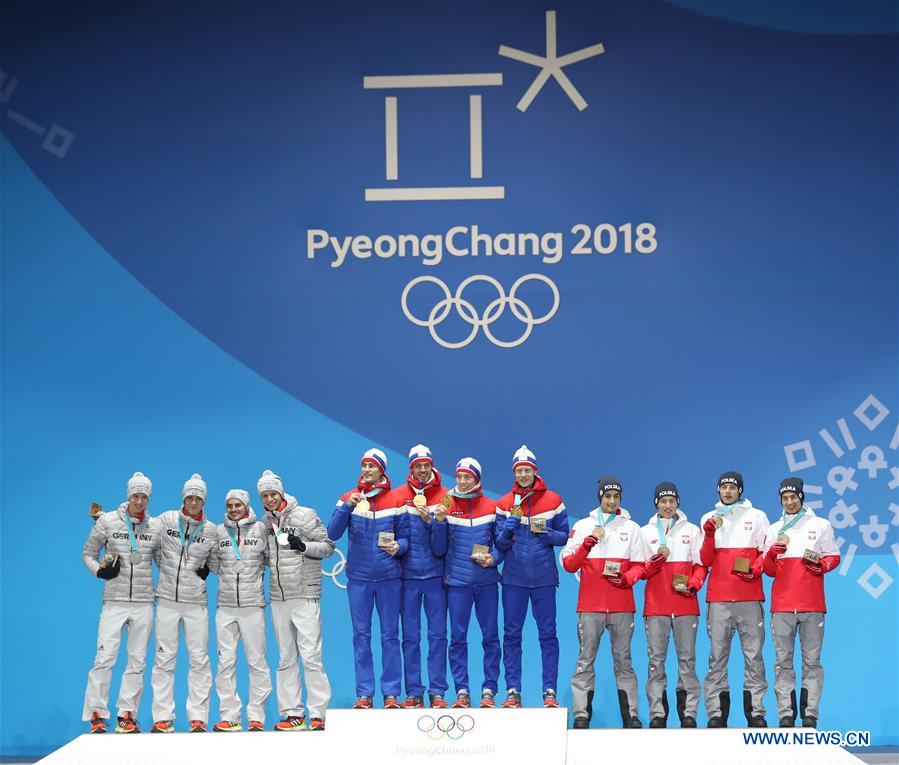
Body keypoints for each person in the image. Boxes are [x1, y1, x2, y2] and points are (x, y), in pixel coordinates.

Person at [562, 476, 645, 729]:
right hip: (590, 606)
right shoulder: (585, 525)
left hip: (621, 605)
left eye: (615, 497)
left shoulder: (632, 528)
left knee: (624, 662)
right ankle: (581, 715)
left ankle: (630, 715)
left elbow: (640, 565)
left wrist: (627, 578)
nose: (611, 501)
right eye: (607, 496)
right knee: (585, 659)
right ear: (600, 497)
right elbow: (568, 564)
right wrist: (587, 544)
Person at [328, 449, 408, 709]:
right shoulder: (348, 498)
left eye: (371, 466)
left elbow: (407, 538)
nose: (366, 470)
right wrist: (348, 508)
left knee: (389, 636)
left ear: (381, 471)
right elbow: (332, 533)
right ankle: (364, 693)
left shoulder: (397, 500)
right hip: (359, 579)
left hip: (389, 579)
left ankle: (391, 693)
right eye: (363, 465)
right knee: (361, 636)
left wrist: (399, 547)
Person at [81, 472, 158, 734]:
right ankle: (97, 714)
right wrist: (99, 572)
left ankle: (127, 714)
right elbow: (88, 553)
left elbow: (166, 560)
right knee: (105, 657)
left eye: (144, 496)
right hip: (114, 600)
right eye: (135, 495)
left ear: (149, 498)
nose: (139, 501)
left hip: (144, 600)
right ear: (128, 496)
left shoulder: (154, 526)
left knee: (138, 660)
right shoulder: (107, 521)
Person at [259, 469, 335, 731]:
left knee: (312, 656)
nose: (269, 499)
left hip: (304, 594)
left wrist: (303, 546)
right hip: (279, 598)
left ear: (281, 493)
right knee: (285, 658)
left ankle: (319, 714)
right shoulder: (264, 523)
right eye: (265, 495)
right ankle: (292, 713)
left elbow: (327, 547)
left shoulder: (305, 514)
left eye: (273, 494)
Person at [495, 445, 569, 709]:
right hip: (513, 580)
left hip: (544, 580)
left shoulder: (553, 500)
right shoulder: (504, 503)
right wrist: (507, 529)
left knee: (548, 635)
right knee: (511, 635)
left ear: (535, 472)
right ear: (514, 473)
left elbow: (564, 536)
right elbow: (500, 545)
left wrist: (547, 534)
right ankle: (513, 690)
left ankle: (549, 691)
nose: (524, 475)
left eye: (527, 470)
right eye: (519, 471)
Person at [762, 477, 840, 729]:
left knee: (812, 662)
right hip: (782, 606)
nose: (789, 502)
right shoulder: (774, 529)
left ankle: (810, 715)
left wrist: (821, 565)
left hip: (812, 604)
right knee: (782, 662)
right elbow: (768, 570)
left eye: (793, 497)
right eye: (784, 499)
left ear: (801, 498)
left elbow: (833, 556)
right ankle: (786, 714)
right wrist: (772, 555)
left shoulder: (821, 525)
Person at [430, 457, 504, 709]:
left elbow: (503, 545)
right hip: (458, 584)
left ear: (477, 479)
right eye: (459, 476)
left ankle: (489, 690)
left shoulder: (492, 507)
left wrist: (493, 559)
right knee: (458, 638)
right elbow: (438, 550)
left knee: (491, 637)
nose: (462, 482)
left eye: (467, 477)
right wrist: (439, 523)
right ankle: (462, 690)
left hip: (486, 584)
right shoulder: (446, 506)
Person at [700, 471, 770, 728]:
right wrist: (708, 535)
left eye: (732, 487)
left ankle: (757, 713)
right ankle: (717, 714)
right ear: (718, 490)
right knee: (717, 657)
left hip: (750, 598)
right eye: (724, 487)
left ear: (740, 490)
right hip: (718, 599)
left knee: (754, 657)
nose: (728, 491)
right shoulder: (709, 518)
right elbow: (706, 560)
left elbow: (766, 554)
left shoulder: (757, 516)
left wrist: (755, 568)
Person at [150, 473, 219, 733]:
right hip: (167, 599)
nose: (193, 501)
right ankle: (162, 717)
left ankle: (198, 717)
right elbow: (151, 543)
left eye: (198, 498)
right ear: (183, 498)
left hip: (195, 602)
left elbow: (215, 561)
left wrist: (207, 570)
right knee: (164, 659)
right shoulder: (166, 520)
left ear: (204, 501)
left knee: (199, 660)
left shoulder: (211, 530)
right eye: (189, 496)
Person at [639, 482, 707, 728]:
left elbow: (701, 565)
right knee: (656, 662)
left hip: (686, 606)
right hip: (656, 607)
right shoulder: (645, 532)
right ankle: (657, 713)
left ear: (678, 503)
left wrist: (695, 582)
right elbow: (641, 570)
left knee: (687, 661)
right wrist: (654, 564)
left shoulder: (692, 530)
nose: (667, 506)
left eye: (671, 501)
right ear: (656, 504)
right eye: (662, 501)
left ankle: (688, 713)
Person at [210, 489, 272, 732]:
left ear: (246, 506)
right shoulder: (219, 531)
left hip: (252, 605)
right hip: (225, 606)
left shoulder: (261, 529)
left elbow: (270, 559)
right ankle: (230, 716)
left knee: (257, 661)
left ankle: (257, 716)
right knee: (225, 662)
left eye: (238, 505)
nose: (233, 509)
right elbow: (214, 562)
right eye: (230, 505)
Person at [394, 444, 450, 709]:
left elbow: (442, 547)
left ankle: (438, 691)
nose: (422, 469)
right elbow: (397, 537)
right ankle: (414, 692)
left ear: (432, 465)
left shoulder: (446, 496)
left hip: (436, 577)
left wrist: (433, 523)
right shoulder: (398, 497)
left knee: (438, 636)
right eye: (418, 465)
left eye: (426, 464)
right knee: (411, 637)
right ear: (411, 468)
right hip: (407, 578)